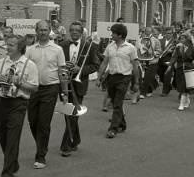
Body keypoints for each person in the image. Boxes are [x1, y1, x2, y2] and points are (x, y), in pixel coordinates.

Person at [0, 34, 38, 177]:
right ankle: (13, 163)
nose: (7, 47)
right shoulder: (1, 62)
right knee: (2, 137)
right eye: (7, 44)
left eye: (11, 45)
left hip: (18, 103)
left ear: (20, 47)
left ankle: (7, 174)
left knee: (12, 139)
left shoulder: (29, 65)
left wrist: (19, 82)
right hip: (1, 102)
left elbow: (35, 88)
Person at [25, 20, 65, 168]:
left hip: (50, 89)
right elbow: (25, 69)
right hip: (33, 89)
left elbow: (62, 71)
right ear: (36, 31)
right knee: (32, 121)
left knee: (44, 123)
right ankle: (41, 144)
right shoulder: (30, 50)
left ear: (50, 31)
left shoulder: (57, 50)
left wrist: (64, 92)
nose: (43, 32)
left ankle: (41, 155)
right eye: (40, 30)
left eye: (45, 30)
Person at [58, 22, 99, 156]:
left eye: (77, 30)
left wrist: (80, 69)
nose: (74, 32)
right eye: (72, 30)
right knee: (67, 114)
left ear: (81, 33)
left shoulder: (89, 47)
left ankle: (66, 145)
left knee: (73, 114)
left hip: (79, 83)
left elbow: (95, 65)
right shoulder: (62, 45)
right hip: (64, 83)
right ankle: (76, 139)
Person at [97, 23, 139, 138]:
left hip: (124, 78)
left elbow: (135, 66)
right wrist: (99, 77)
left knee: (117, 102)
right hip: (112, 77)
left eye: (113, 33)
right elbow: (104, 62)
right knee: (116, 103)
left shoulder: (130, 48)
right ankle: (122, 124)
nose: (111, 35)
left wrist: (136, 82)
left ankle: (113, 129)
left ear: (120, 35)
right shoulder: (110, 46)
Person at [169, 34, 194, 111]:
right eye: (180, 39)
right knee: (181, 85)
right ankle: (187, 98)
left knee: (185, 86)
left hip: (189, 68)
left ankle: (181, 103)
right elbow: (174, 57)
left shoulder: (193, 48)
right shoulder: (178, 48)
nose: (181, 40)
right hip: (180, 68)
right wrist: (170, 65)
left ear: (187, 40)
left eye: (183, 39)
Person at [135, 27, 161, 104]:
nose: (147, 33)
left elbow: (159, 51)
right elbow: (137, 49)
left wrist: (152, 53)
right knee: (143, 77)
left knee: (148, 77)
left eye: (149, 32)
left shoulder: (156, 41)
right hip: (142, 61)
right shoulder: (140, 40)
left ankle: (142, 93)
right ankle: (150, 88)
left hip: (152, 61)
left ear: (152, 32)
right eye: (145, 31)